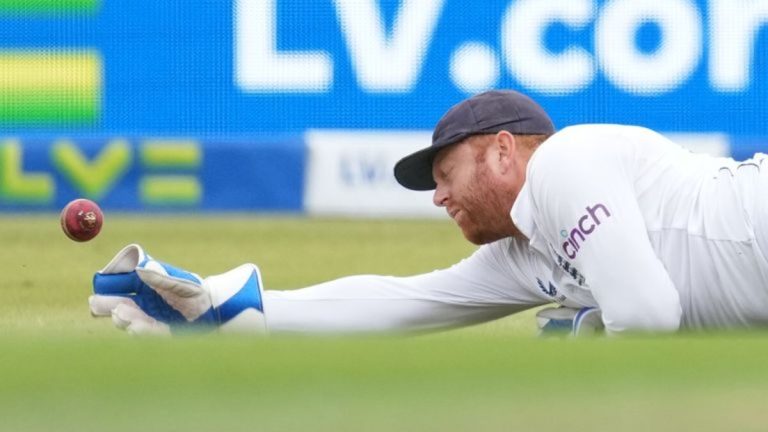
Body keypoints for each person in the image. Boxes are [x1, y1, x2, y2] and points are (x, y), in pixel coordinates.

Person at [88, 90, 768, 336]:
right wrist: (223, 306)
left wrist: (593, 330)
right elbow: (405, 301)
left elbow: (649, 317)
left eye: (447, 174)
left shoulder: (565, 163)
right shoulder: (526, 254)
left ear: (503, 151)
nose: (439, 197)